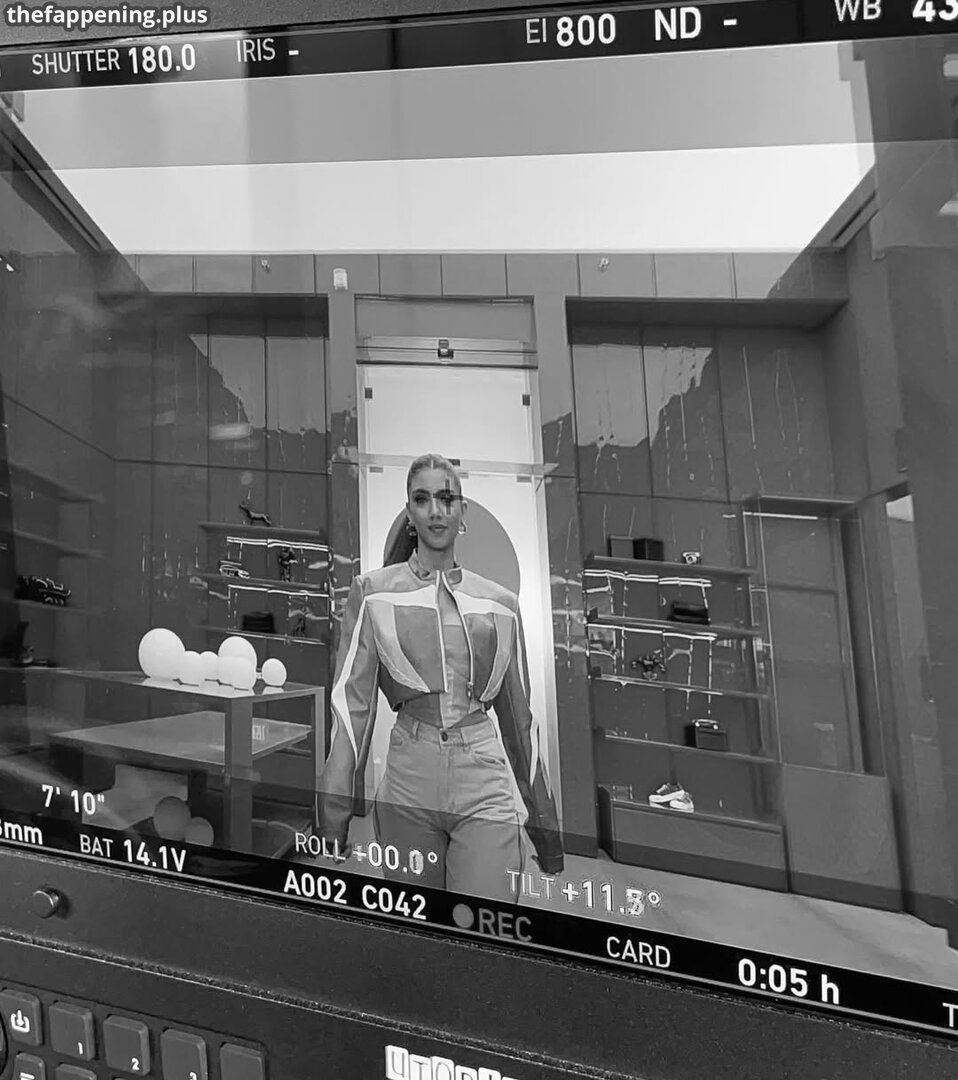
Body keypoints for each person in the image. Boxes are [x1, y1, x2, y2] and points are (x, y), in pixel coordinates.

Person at [317, 453, 563, 901]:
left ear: (462, 511)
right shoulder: (372, 594)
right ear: (409, 513)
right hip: (409, 775)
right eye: (422, 498)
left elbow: (520, 723)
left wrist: (546, 829)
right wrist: (333, 818)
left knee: (485, 920)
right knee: (419, 922)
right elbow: (351, 712)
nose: (435, 509)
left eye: (446, 498)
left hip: (482, 774)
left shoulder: (500, 604)